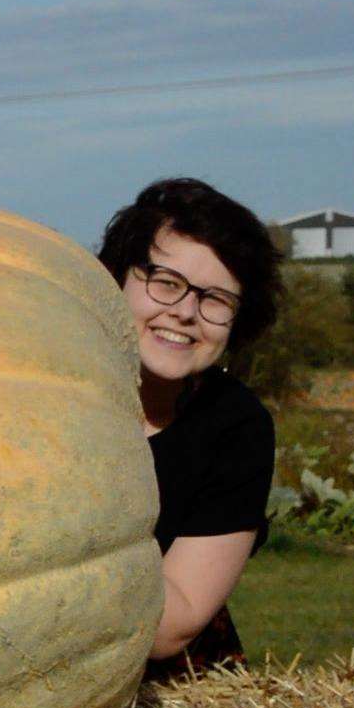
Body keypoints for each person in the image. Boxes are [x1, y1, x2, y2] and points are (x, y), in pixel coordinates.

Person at [95, 178, 281, 681]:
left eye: (216, 299)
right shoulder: (41, 388)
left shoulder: (237, 427)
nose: (185, 312)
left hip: (169, 697)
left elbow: (171, 625)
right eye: (166, 281)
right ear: (115, 278)